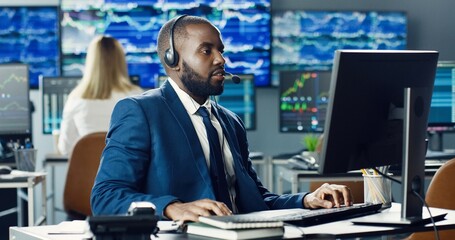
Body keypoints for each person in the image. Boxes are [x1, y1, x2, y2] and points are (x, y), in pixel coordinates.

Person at [91, 15, 353, 222]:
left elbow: (255, 200)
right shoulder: (141, 111)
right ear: (173, 61)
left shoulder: (230, 122)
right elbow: (105, 196)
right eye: (206, 51)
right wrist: (172, 207)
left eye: (220, 50)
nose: (221, 59)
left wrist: (306, 200)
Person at [57, 36, 143, 156]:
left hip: (88, 174)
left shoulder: (76, 99)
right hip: (126, 173)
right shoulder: (138, 97)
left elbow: (65, 148)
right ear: (121, 61)